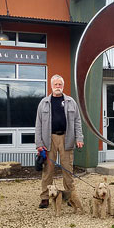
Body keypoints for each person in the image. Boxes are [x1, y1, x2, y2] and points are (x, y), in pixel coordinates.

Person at [35, 74, 84, 208]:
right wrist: (39, 144)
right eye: (55, 84)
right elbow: (38, 124)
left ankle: (70, 197)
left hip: (67, 139)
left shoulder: (71, 102)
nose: (58, 87)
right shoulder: (44, 102)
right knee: (48, 170)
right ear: (51, 86)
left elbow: (78, 122)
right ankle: (45, 197)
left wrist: (79, 138)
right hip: (48, 139)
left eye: (60, 85)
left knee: (67, 169)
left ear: (63, 86)